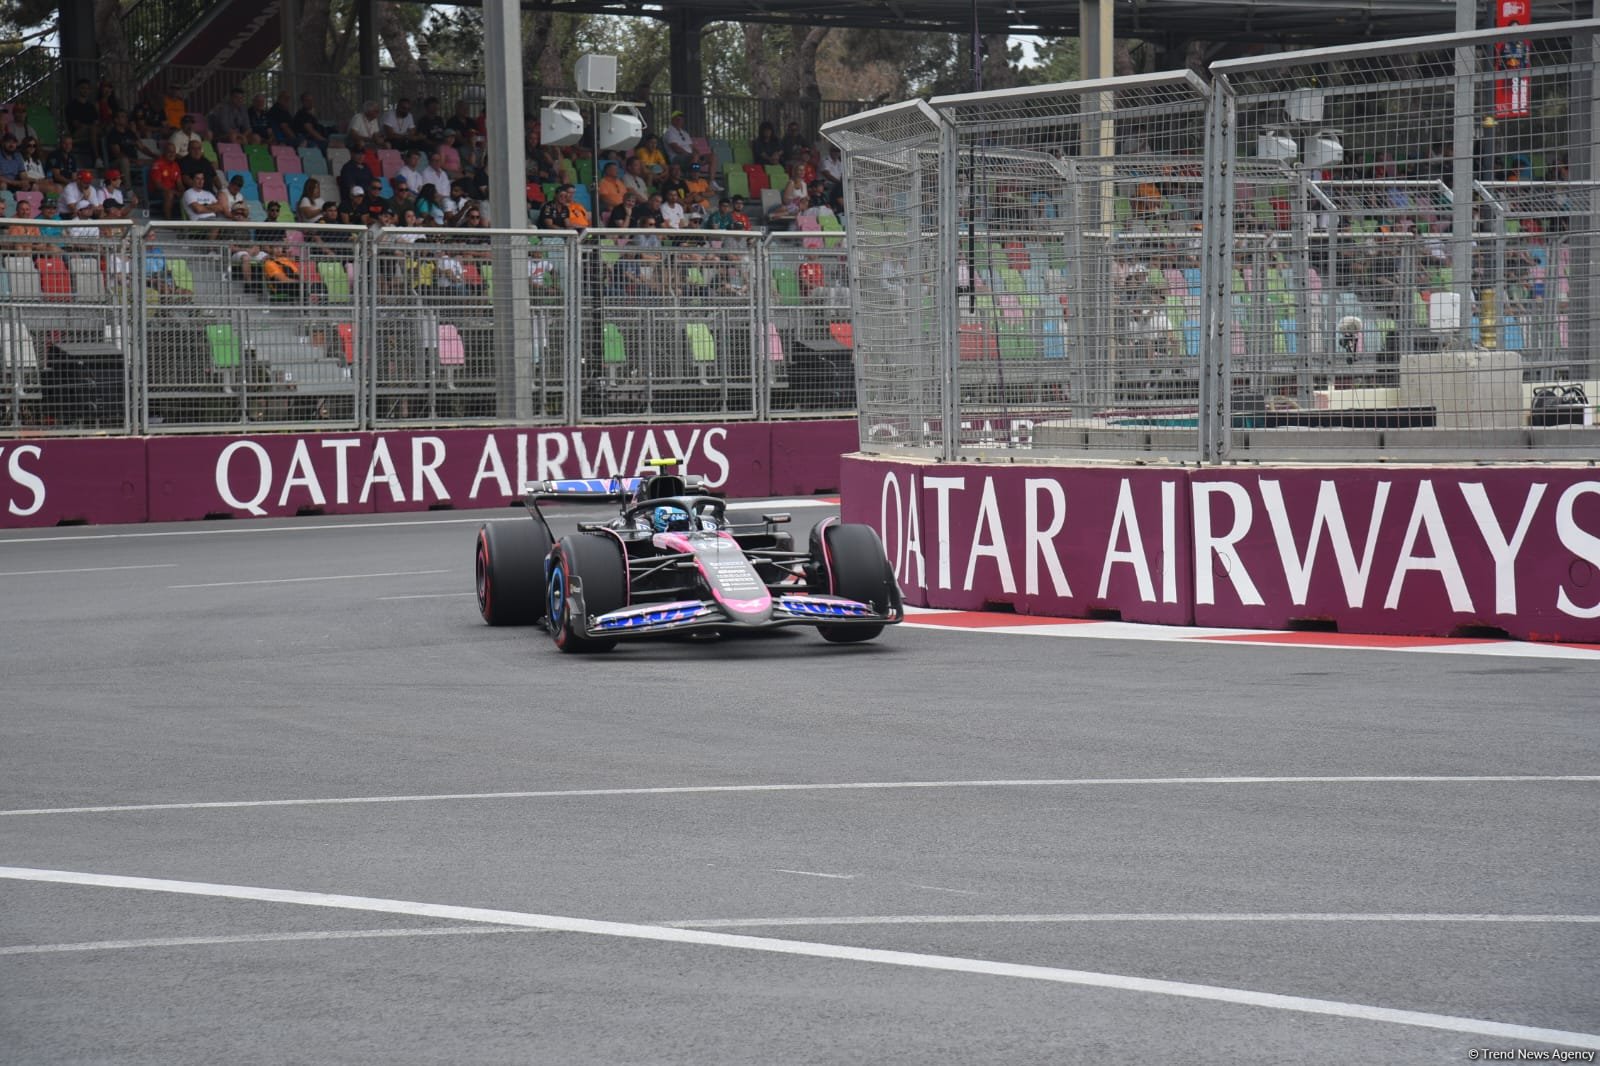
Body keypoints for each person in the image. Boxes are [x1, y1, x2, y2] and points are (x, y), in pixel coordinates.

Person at [149, 140, 184, 218]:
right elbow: (158, 185)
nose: (172, 154)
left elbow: (179, 183)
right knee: (169, 194)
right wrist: (173, 192)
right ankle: (168, 221)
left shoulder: (176, 165)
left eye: (174, 152)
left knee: (188, 193)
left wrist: (183, 191)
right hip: (157, 193)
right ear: (164, 152)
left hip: (172, 192)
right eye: (169, 152)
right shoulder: (158, 164)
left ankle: (186, 222)